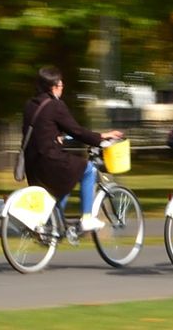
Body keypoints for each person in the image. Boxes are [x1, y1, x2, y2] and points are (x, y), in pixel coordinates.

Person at [23, 66, 123, 231]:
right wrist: (101, 137)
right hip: (49, 160)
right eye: (61, 85)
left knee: (67, 179)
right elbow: (77, 131)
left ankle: (53, 225)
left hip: (32, 165)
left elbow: (40, 129)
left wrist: (56, 136)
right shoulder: (56, 105)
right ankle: (87, 218)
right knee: (88, 169)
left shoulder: (30, 105)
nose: (62, 87)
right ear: (54, 86)